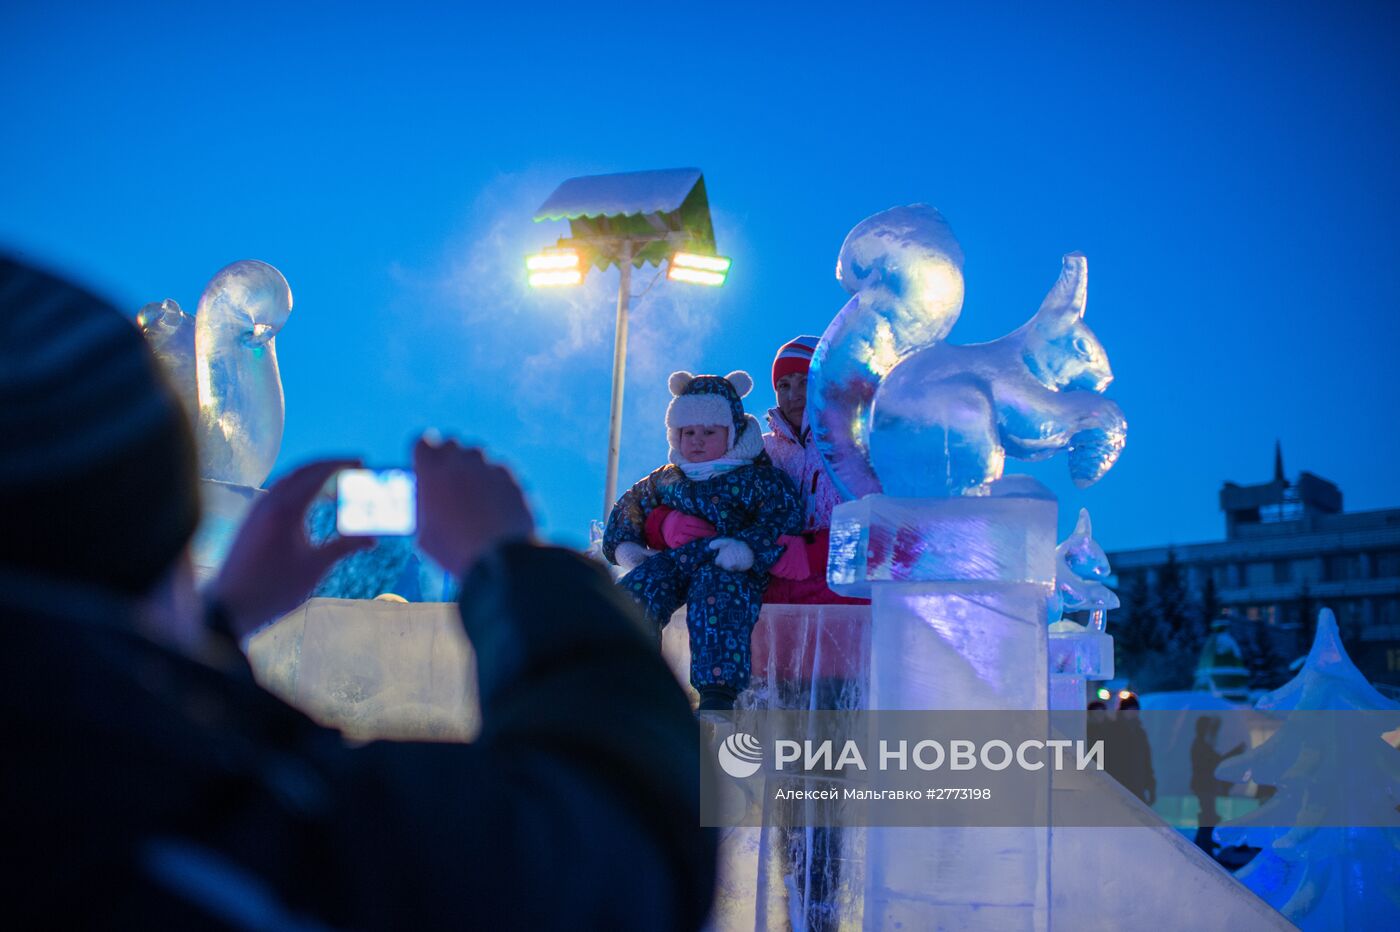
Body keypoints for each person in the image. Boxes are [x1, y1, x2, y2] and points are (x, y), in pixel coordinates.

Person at [0, 255, 715, 929]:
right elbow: (619, 855)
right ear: (141, 543)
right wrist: (511, 562)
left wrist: (219, 627)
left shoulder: (71, 787)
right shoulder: (194, 834)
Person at [602, 370, 802, 711]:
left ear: (732, 432)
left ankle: (717, 692)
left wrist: (748, 548)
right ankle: (622, 675)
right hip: (677, 560)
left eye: (709, 432)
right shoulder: (668, 479)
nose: (696, 440)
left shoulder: (754, 477)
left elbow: (781, 515)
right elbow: (630, 506)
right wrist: (627, 548)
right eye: (688, 432)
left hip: (728, 561)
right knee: (639, 588)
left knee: (719, 596)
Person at [1190, 714, 1246, 856]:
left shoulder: (1201, 744)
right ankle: (1203, 845)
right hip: (1204, 786)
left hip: (1205, 786)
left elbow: (1215, 761)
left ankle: (1203, 844)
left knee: (1208, 815)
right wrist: (1237, 751)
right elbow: (1215, 761)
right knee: (1208, 816)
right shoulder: (1200, 745)